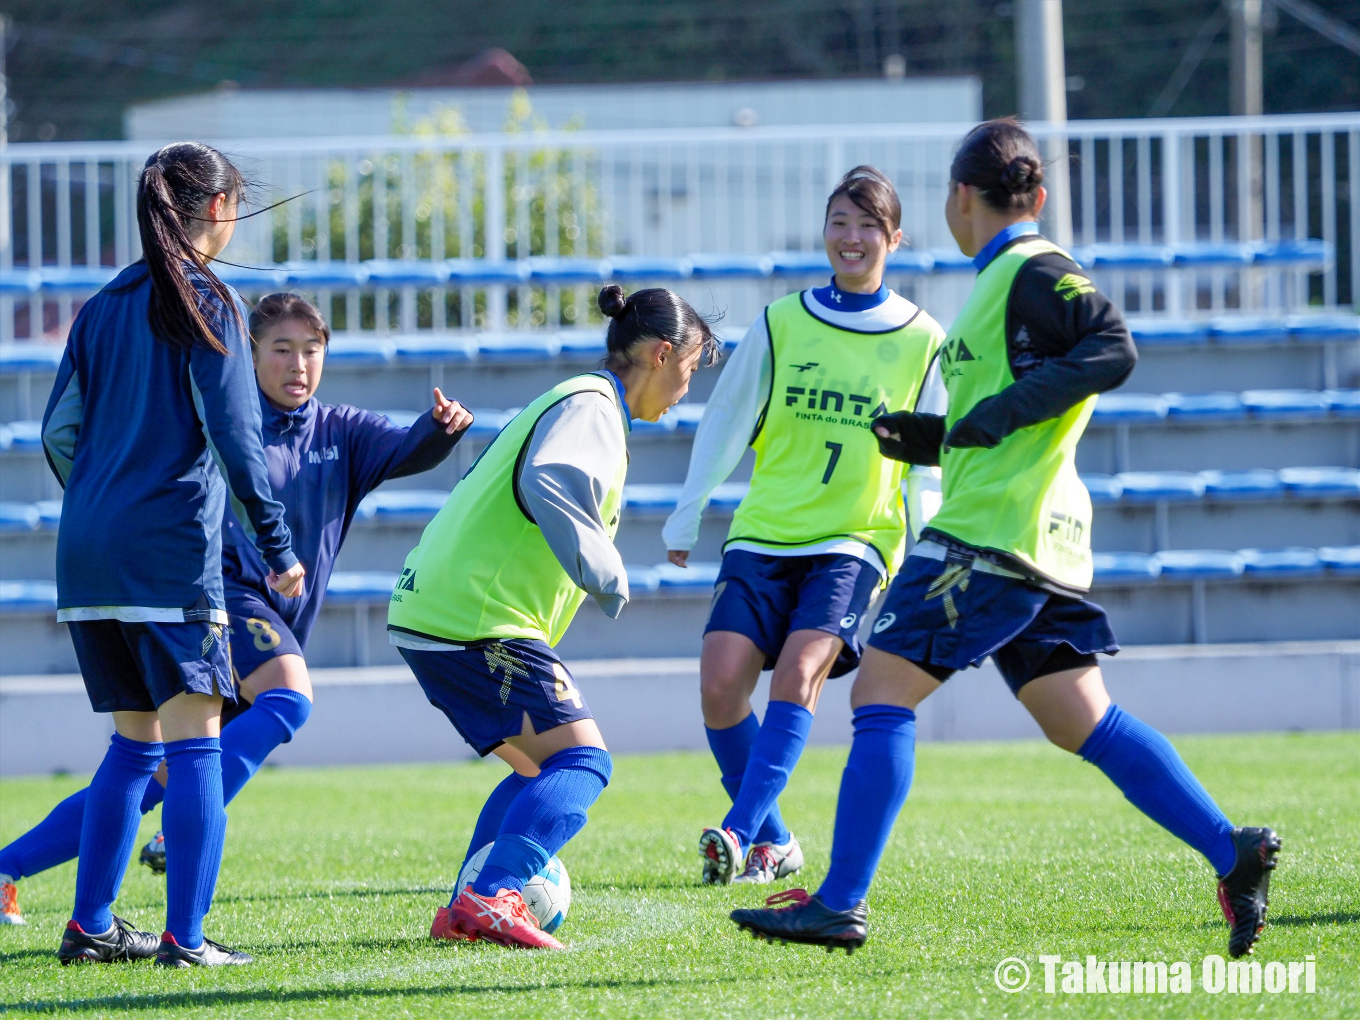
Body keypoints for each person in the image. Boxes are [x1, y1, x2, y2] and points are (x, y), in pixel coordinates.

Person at [728, 119, 1280, 958]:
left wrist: (986, 417)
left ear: (958, 198)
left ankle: (839, 902)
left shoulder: (1030, 269)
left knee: (878, 693)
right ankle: (1229, 852)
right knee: (1079, 719)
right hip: (1042, 542)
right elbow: (1015, 409)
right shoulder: (1000, 286)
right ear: (1038, 192)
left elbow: (1111, 347)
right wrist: (935, 437)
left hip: (989, 539)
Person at [0, 293, 472, 923]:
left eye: (311, 350)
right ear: (251, 355)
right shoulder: (226, 418)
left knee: (150, 772)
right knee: (287, 697)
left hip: (267, 616)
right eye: (281, 349)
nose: (298, 364)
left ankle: (8, 867)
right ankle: (185, 829)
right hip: (220, 598)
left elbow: (407, 447)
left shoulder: (340, 430)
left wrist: (440, 430)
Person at [35, 143, 304, 967]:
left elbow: (58, 434)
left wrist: (102, 503)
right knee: (196, 744)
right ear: (219, 210)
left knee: (133, 743)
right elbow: (235, 438)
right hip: (165, 555)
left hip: (86, 557)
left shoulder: (102, 305)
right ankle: (186, 939)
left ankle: (92, 926)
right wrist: (278, 545)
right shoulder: (208, 301)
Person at [388, 284, 719, 950]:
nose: (686, 389)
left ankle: (466, 907)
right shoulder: (594, 406)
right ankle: (495, 892)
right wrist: (602, 565)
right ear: (661, 354)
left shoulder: (584, 401)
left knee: (537, 769)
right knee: (584, 762)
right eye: (688, 371)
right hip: (475, 619)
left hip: (442, 612)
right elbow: (549, 477)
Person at [662, 167, 947, 885]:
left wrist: (931, 547)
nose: (851, 239)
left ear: (894, 239)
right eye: (840, 223)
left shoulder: (923, 338)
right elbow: (727, 419)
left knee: (798, 673)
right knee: (720, 685)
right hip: (764, 533)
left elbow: (928, 460)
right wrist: (689, 509)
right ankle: (774, 842)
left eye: (867, 226)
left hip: (855, 540)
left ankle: (734, 830)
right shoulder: (780, 321)